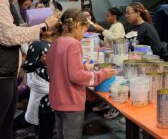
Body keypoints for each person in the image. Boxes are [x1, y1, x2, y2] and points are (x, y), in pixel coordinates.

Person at [0, 0, 58, 138]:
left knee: (6, 126)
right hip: (3, 72)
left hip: (8, 71)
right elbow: (8, 35)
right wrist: (44, 26)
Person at [46, 8, 117, 139]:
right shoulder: (73, 44)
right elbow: (76, 76)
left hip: (57, 100)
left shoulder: (56, 42)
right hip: (71, 101)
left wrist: (83, 66)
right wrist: (102, 74)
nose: (84, 34)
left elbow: (57, 67)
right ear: (78, 25)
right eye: (84, 30)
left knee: (61, 134)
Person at [23, 26, 56, 139]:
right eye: (46, 28)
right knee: (44, 126)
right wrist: (40, 62)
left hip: (54, 92)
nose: (50, 30)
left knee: (50, 125)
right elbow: (27, 67)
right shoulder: (37, 44)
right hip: (43, 94)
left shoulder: (57, 44)